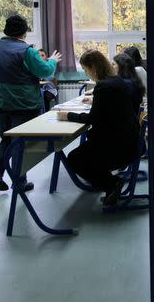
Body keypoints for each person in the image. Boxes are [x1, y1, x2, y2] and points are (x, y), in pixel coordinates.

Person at [0, 14, 61, 191]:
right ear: (24, 32)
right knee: (20, 142)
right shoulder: (26, 51)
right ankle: (19, 182)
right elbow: (45, 71)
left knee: (8, 138)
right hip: (22, 103)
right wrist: (52, 61)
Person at [57, 50, 141, 206]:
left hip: (119, 147)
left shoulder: (103, 86)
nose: (87, 74)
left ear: (93, 68)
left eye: (86, 69)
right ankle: (107, 181)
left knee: (75, 158)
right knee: (84, 151)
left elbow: (93, 119)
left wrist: (68, 115)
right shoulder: (117, 81)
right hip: (130, 141)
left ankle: (111, 183)